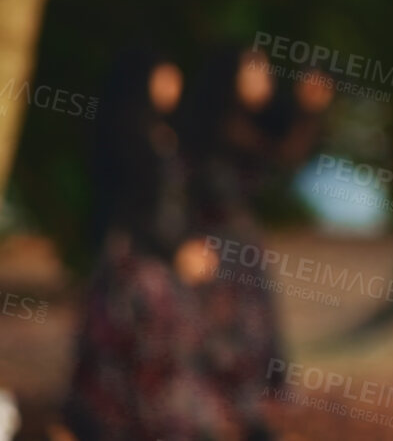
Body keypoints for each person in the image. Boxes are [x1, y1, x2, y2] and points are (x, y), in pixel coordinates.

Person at [63, 48, 235, 441]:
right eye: (165, 77)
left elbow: (178, 201)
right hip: (136, 258)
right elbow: (132, 207)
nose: (173, 87)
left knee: (174, 347)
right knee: (134, 345)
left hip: (162, 255)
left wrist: (190, 244)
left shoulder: (165, 135)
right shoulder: (125, 133)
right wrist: (173, 249)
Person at [181, 47, 332, 441]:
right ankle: (219, 419)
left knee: (242, 337)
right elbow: (281, 157)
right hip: (218, 245)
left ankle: (242, 418)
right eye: (256, 71)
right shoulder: (223, 126)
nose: (265, 80)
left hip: (236, 243)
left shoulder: (237, 122)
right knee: (223, 335)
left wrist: (306, 111)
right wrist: (307, 110)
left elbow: (282, 159)